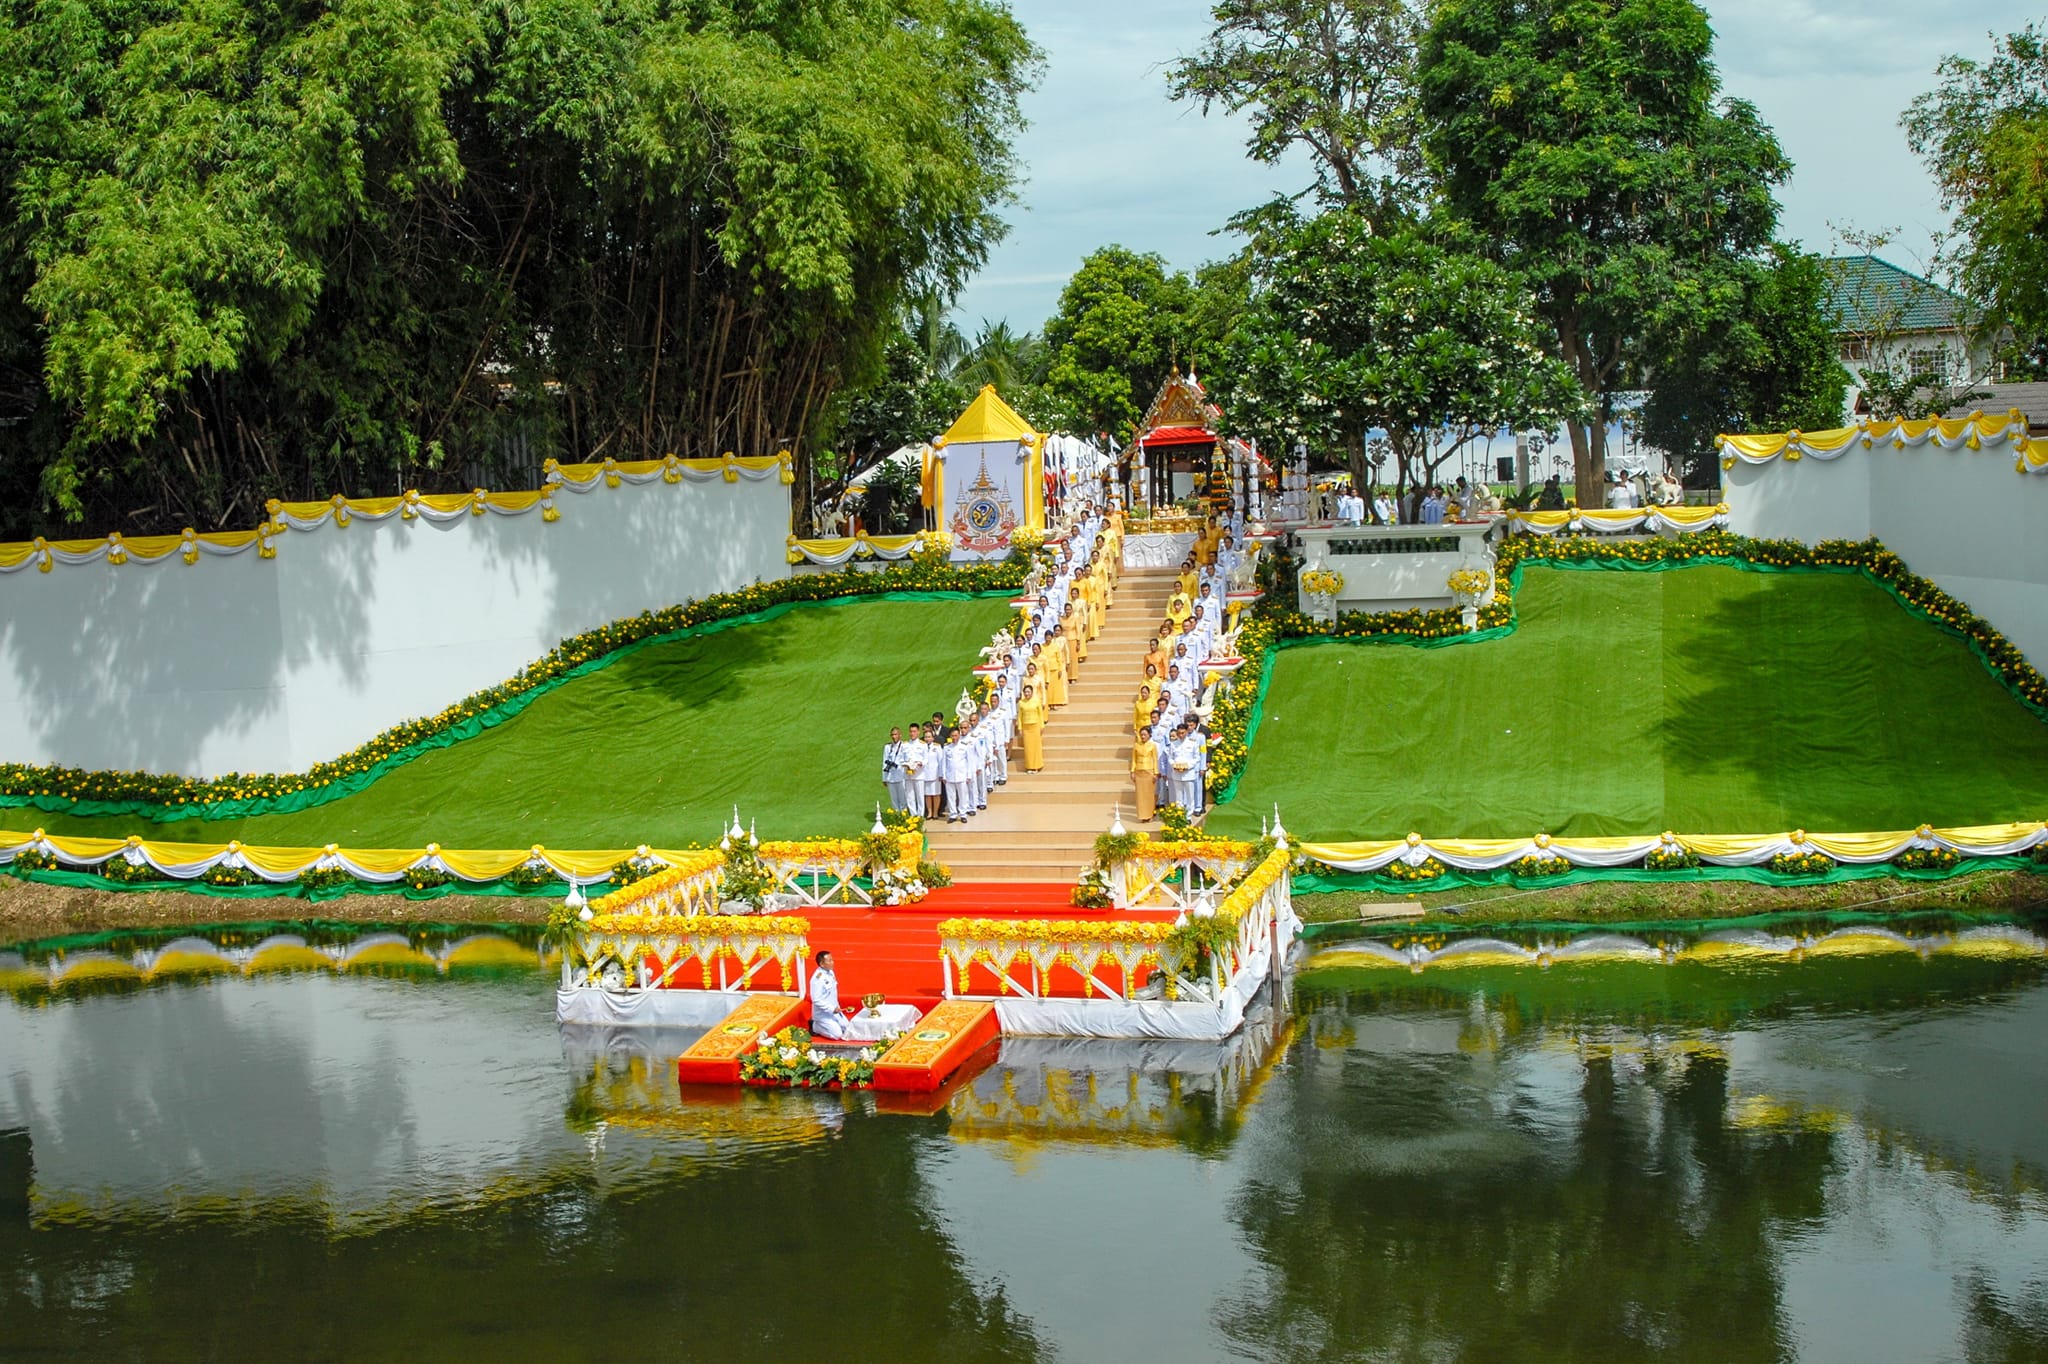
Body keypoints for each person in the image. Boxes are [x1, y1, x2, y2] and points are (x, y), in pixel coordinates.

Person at [810, 950, 852, 1040]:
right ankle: (815, 1026)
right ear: (822, 964)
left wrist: (837, 1008)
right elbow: (816, 1000)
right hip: (824, 1014)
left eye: (832, 960)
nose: (832, 962)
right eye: (829, 961)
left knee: (847, 1028)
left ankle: (830, 1024)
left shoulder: (830, 972)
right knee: (837, 1035)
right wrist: (831, 1009)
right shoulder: (817, 979)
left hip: (835, 1011)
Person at [1130, 724, 1159, 822]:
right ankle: (1142, 815)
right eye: (1141, 734)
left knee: (1149, 794)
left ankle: (1150, 814)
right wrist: (1132, 771)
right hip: (1139, 771)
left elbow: (1155, 759)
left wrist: (1156, 773)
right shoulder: (1136, 745)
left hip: (1149, 771)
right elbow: (1133, 759)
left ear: (1149, 735)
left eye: (1145, 735)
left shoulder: (1152, 746)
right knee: (1140, 795)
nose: (1143, 737)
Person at [1017, 683, 1046, 771]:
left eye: (1028, 692)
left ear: (1032, 692)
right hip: (1026, 728)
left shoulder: (1037, 701)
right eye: (1025, 692)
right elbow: (1020, 716)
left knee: (1036, 747)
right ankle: (1029, 766)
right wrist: (1020, 728)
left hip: (1035, 726)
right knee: (1028, 749)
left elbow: (1040, 715)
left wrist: (1042, 726)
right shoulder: (1021, 703)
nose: (1027, 694)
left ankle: (1037, 766)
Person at [882, 726, 908, 812]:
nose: (894, 737)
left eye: (896, 734)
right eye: (892, 735)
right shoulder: (888, 747)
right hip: (890, 776)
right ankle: (896, 816)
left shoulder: (904, 746)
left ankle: (903, 816)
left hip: (901, 775)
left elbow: (906, 760)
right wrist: (884, 778)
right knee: (894, 800)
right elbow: (884, 762)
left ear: (900, 735)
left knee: (903, 799)